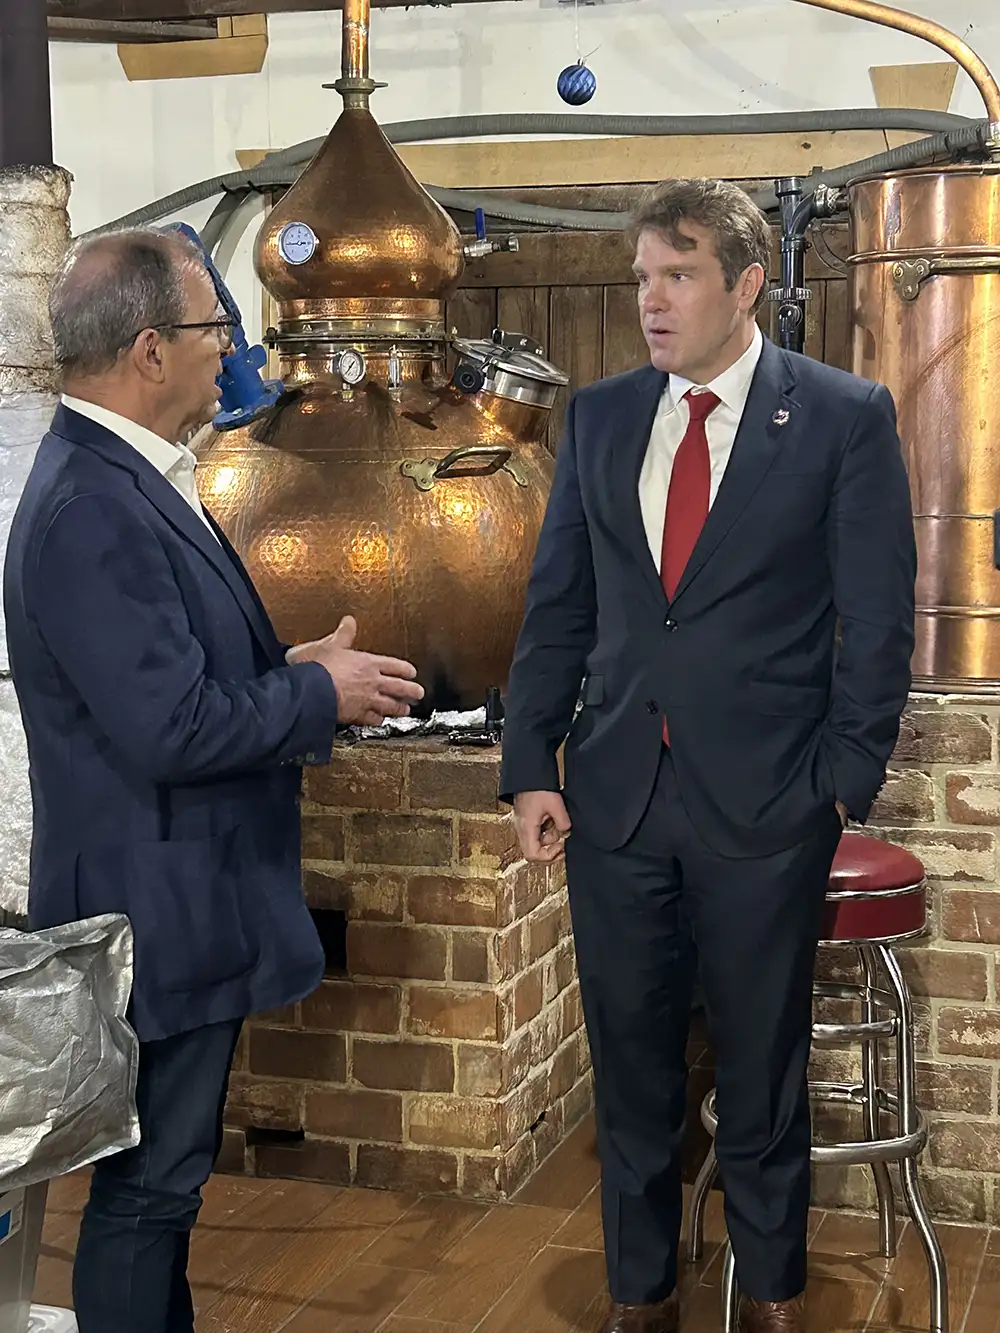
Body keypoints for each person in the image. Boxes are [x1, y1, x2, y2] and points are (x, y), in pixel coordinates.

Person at [499, 178, 915, 1333]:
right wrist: (532, 761)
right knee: (629, 1064)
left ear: (745, 285)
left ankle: (772, 1289)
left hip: (767, 803)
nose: (651, 300)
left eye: (675, 276)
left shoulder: (839, 417)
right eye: (640, 277)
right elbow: (557, 612)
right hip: (616, 800)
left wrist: (839, 786)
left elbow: (878, 622)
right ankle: (641, 1293)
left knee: (760, 1064)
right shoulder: (598, 417)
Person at [3, 228, 425, 1333]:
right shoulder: (95, 504)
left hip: (175, 896)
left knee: (166, 1188)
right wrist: (316, 697)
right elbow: (169, 729)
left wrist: (280, 671)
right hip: (155, 907)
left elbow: (163, 683)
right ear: (150, 348)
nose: (226, 351)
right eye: (212, 330)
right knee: (149, 1196)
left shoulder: (123, 477)